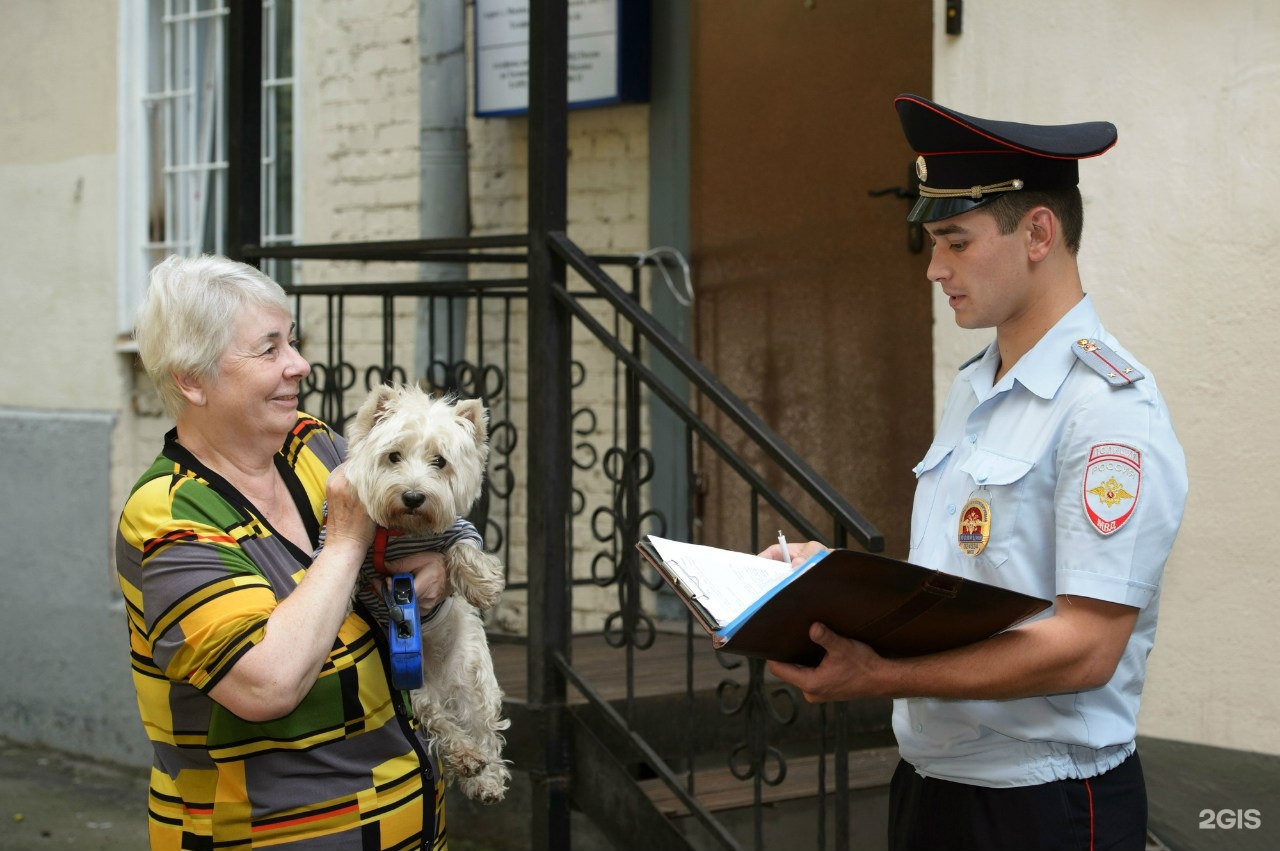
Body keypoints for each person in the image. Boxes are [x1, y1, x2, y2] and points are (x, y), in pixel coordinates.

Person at [766, 94, 1188, 851]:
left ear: (1038, 233)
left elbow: (1088, 645)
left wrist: (881, 673)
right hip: (932, 790)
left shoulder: (1109, 410)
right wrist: (833, 580)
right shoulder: (976, 384)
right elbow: (965, 581)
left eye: (956, 241)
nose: (935, 268)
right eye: (933, 243)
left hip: (1045, 807)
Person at [116, 254, 452, 849]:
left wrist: (438, 562)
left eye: (292, 341)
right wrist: (347, 540)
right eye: (269, 350)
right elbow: (265, 686)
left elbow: (419, 522)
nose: (299, 365)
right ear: (192, 380)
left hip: (410, 822)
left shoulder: (313, 445)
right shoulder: (169, 515)